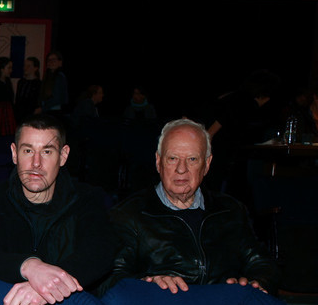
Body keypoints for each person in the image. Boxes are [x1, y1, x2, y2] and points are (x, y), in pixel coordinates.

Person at [103, 118, 280, 294]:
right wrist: (146, 285)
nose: (181, 169)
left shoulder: (231, 210)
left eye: (192, 159)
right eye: (172, 158)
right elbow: (111, 280)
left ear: (206, 165)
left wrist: (256, 284)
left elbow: (261, 263)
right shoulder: (129, 214)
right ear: (158, 162)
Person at [0, 115, 116, 305]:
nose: (36, 163)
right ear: (14, 154)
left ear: (63, 156)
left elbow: (99, 254)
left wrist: (44, 287)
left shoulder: (87, 199)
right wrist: (30, 266)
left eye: (47, 152)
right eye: (28, 150)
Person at [15, 57, 42, 123]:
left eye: (28, 66)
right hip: (19, 113)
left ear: (35, 68)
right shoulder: (21, 82)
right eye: (25, 65)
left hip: (32, 114)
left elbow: (39, 99)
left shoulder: (39, 83)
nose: (25, 68)